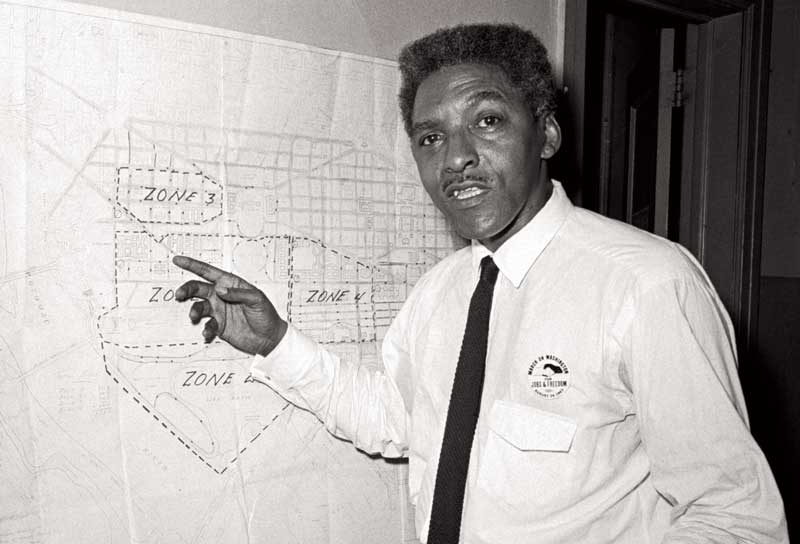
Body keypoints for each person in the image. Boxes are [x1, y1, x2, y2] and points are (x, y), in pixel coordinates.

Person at [173, 23, 787, 544]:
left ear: (546, 134)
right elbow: (394, 419)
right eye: (431, 137)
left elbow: (735, 520)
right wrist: (276, 343)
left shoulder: (648, 284)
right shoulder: (441, 292)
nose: (455, 157)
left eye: (487, 120)